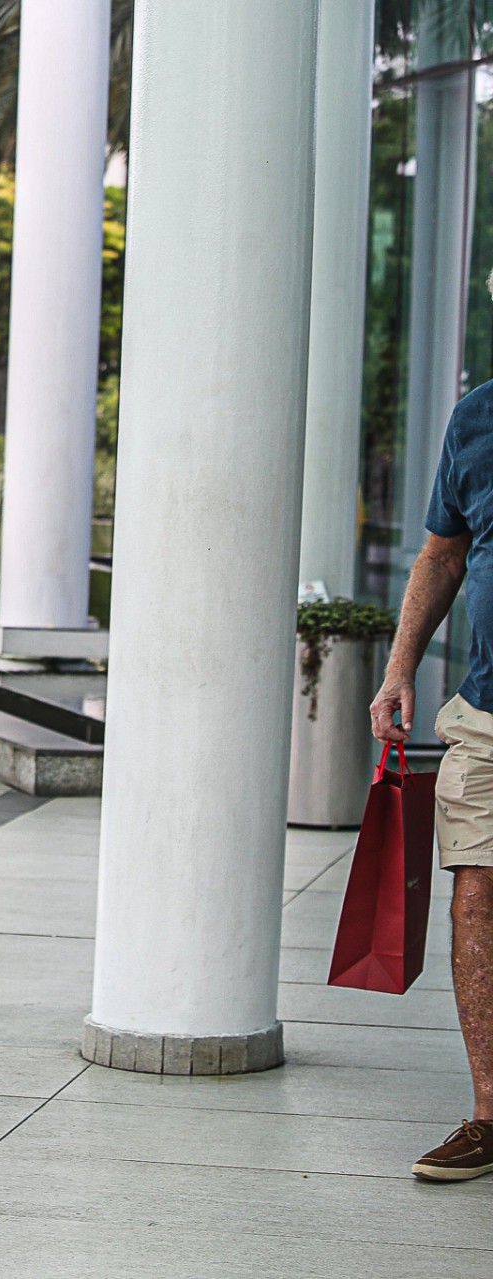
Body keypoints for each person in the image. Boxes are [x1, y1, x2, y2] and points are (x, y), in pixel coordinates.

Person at [373, 359, 493, 1183]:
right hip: (486, 714)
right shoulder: (476, 417)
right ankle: (490, 1113)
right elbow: (443, 555)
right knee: (475, 897)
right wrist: (398, 668)